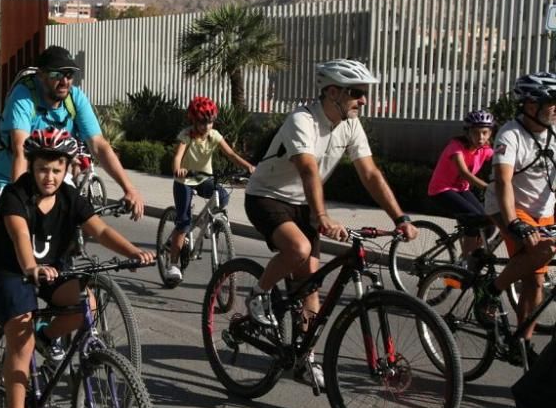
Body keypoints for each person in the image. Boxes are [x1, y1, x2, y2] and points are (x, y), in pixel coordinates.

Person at [243, 59, 418, 389]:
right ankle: (258, 292)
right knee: (299, 248)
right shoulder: (303, 120)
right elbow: (308, 169)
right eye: (357, 93)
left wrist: (400, 217)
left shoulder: (351, 123)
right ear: (333, 92)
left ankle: (304, 358)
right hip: (267, 196)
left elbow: (370, 174)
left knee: (310, 285)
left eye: (365, 93)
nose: (363, 100)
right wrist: (321, 217)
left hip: (304, 202)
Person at [0, 128, 155, 408]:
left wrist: (132, 252)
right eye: (43, 168)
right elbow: (19, 236)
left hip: (52, 268)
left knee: (84, 303)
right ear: (31, 166)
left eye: (57, 169)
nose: (50, 176)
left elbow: (99, 229)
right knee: (21, 332)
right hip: (9, 270)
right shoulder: (15, 195)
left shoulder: (70, 196)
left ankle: (46, 341)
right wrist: (31, 267)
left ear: (67, 168)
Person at [0, 45, 145, 219]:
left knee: (75, 223)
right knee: (17, 236)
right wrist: (18, 202)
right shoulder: (23, 96)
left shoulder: (75, 98)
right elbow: (20, 151)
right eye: (56, 74)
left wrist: (129, 189)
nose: (64, 81)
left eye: (69, 75)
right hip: (7, 178)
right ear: (40, 75)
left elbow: (99, 145)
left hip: (51, 177)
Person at [478, 72, 556, 365]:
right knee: (544, 251)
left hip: (545, 208)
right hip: (510, 207)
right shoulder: (510, 134)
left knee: (535, 284)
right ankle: (491, 289)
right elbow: (504, 182)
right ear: (531, 106)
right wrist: (514, 223)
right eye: (552, 101)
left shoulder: (554, 131)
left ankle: (521, 341)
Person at [164, 96, 256, 284]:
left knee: (222, 195)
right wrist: (177, 168)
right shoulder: (186, 135)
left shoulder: (214, 136)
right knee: (182, 222)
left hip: (204, 178)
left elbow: (230, 154)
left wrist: (249, 167)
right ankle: (172, 264)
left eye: (210, 122)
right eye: (202, 122)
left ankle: (207, 222)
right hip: (184, 180)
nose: (207, 126)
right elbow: (178, 155)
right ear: (194, 121)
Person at [427, 109, 495, 258]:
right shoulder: (456, 147)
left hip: (461, 190)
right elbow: (464, 173)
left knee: (489, 224)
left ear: (490, 133)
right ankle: (465, 263)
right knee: (474, 218)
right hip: (441, 190)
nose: (480, 137)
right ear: (467, 133)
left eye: (485, 132)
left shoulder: (484, 150)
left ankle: (470, 256)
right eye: (476, 132)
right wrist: (489, 188)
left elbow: (503, 161)